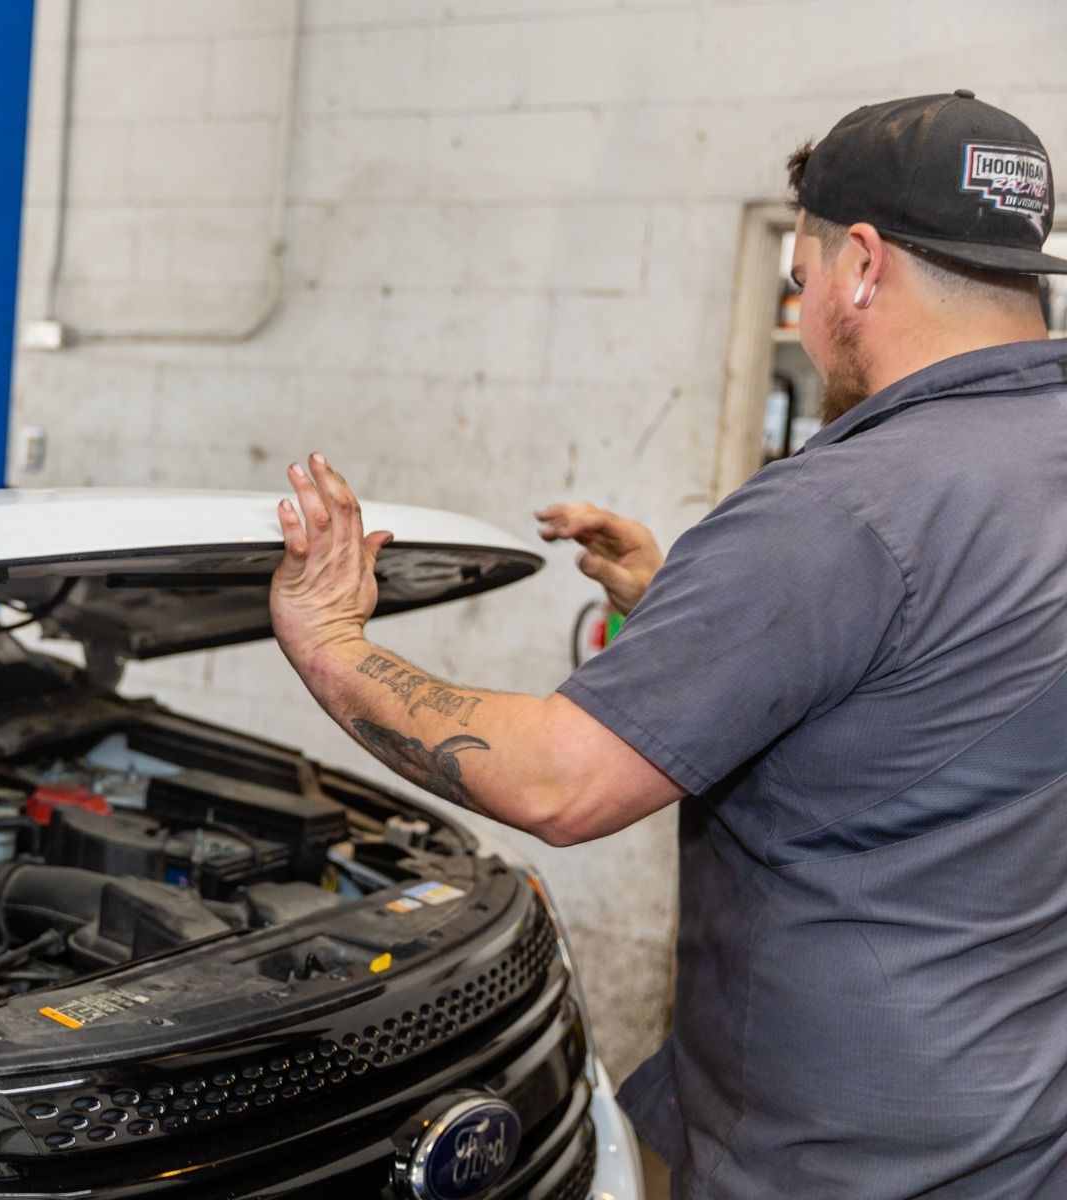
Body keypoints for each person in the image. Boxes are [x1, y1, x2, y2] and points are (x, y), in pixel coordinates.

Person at [269, 92, 1067, 1198]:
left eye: (802, 277)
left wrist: (332, 645)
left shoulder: (838, 509)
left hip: (830, 1160)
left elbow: (559, 783)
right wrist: (688, 610)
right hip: (1017, 1131)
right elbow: (948, 673)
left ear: (863, 266)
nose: (803, 309)